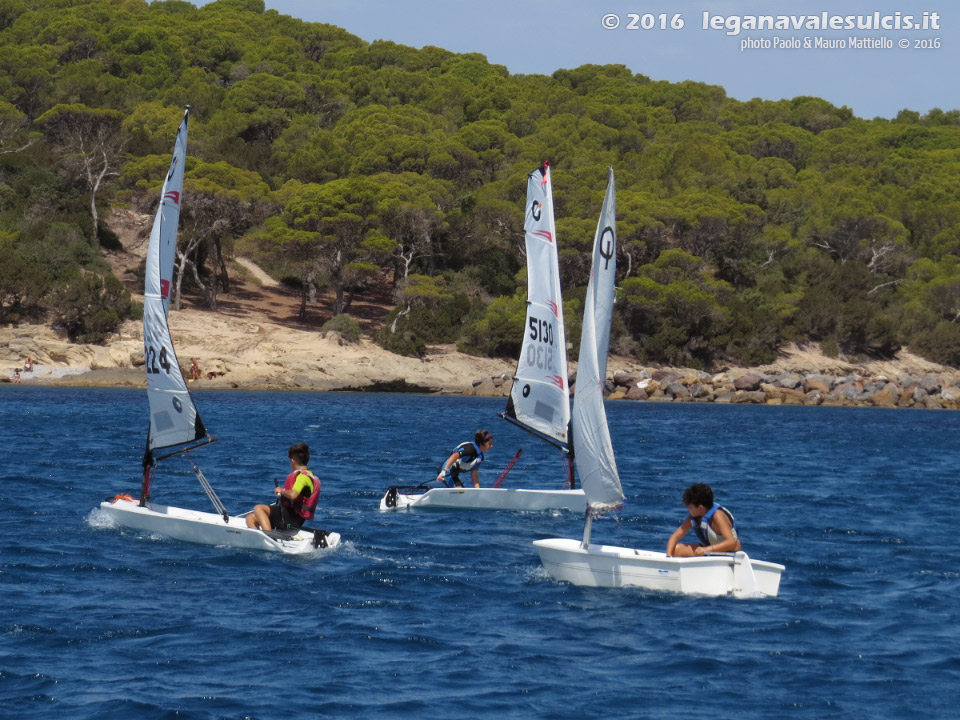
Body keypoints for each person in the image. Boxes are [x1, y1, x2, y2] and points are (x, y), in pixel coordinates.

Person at [246, 443, 321, 532]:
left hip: (291, 518)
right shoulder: (311, 475)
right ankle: (261, 542)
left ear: (293, 461)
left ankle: (270, 536)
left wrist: (281, 490)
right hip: (293, 517)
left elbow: (293, 495)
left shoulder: (302, 477)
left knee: (258, 508)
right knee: (251, 518)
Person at [666, 482, 741, 557]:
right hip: (710, 551)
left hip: (729, 554)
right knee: (676, 549)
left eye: (690, 507)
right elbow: (675, 536)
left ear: (700, 508)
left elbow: (731, 542)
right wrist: (668, 556)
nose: (688, 509)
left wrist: (706, 550)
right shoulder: (693, 517)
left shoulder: (718, 516)